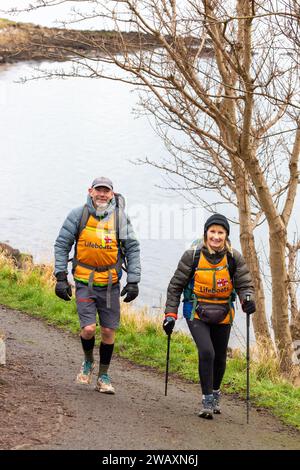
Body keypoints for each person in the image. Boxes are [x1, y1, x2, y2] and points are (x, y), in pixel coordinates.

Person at [163, 213, 255, 419]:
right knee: (207, 352)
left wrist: (247, 299)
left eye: (220, 232)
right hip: (196, 310)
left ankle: (215, 393)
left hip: (223, 312)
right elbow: (175, 285)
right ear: (206, 234)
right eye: (212, 232)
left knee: (220, 357)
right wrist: (170, 313)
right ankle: (206, 401)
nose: (216, 236)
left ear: (226, 235)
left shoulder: (234, 257)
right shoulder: (192, 255)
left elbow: (245, 284)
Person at [54, 177, 141, 394]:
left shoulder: (120, 218)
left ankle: (103, 375)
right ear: (90, 191)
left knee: (109, 331)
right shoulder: (78, 214)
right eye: (99, 191)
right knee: (88, 328)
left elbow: (132, 248)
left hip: (111, 284)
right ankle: (87, 362)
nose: (102, 195)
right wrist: (61, 276)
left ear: (112, 194)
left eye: (106, 191)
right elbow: (62, 244)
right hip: (85, 282)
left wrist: (133, 281)